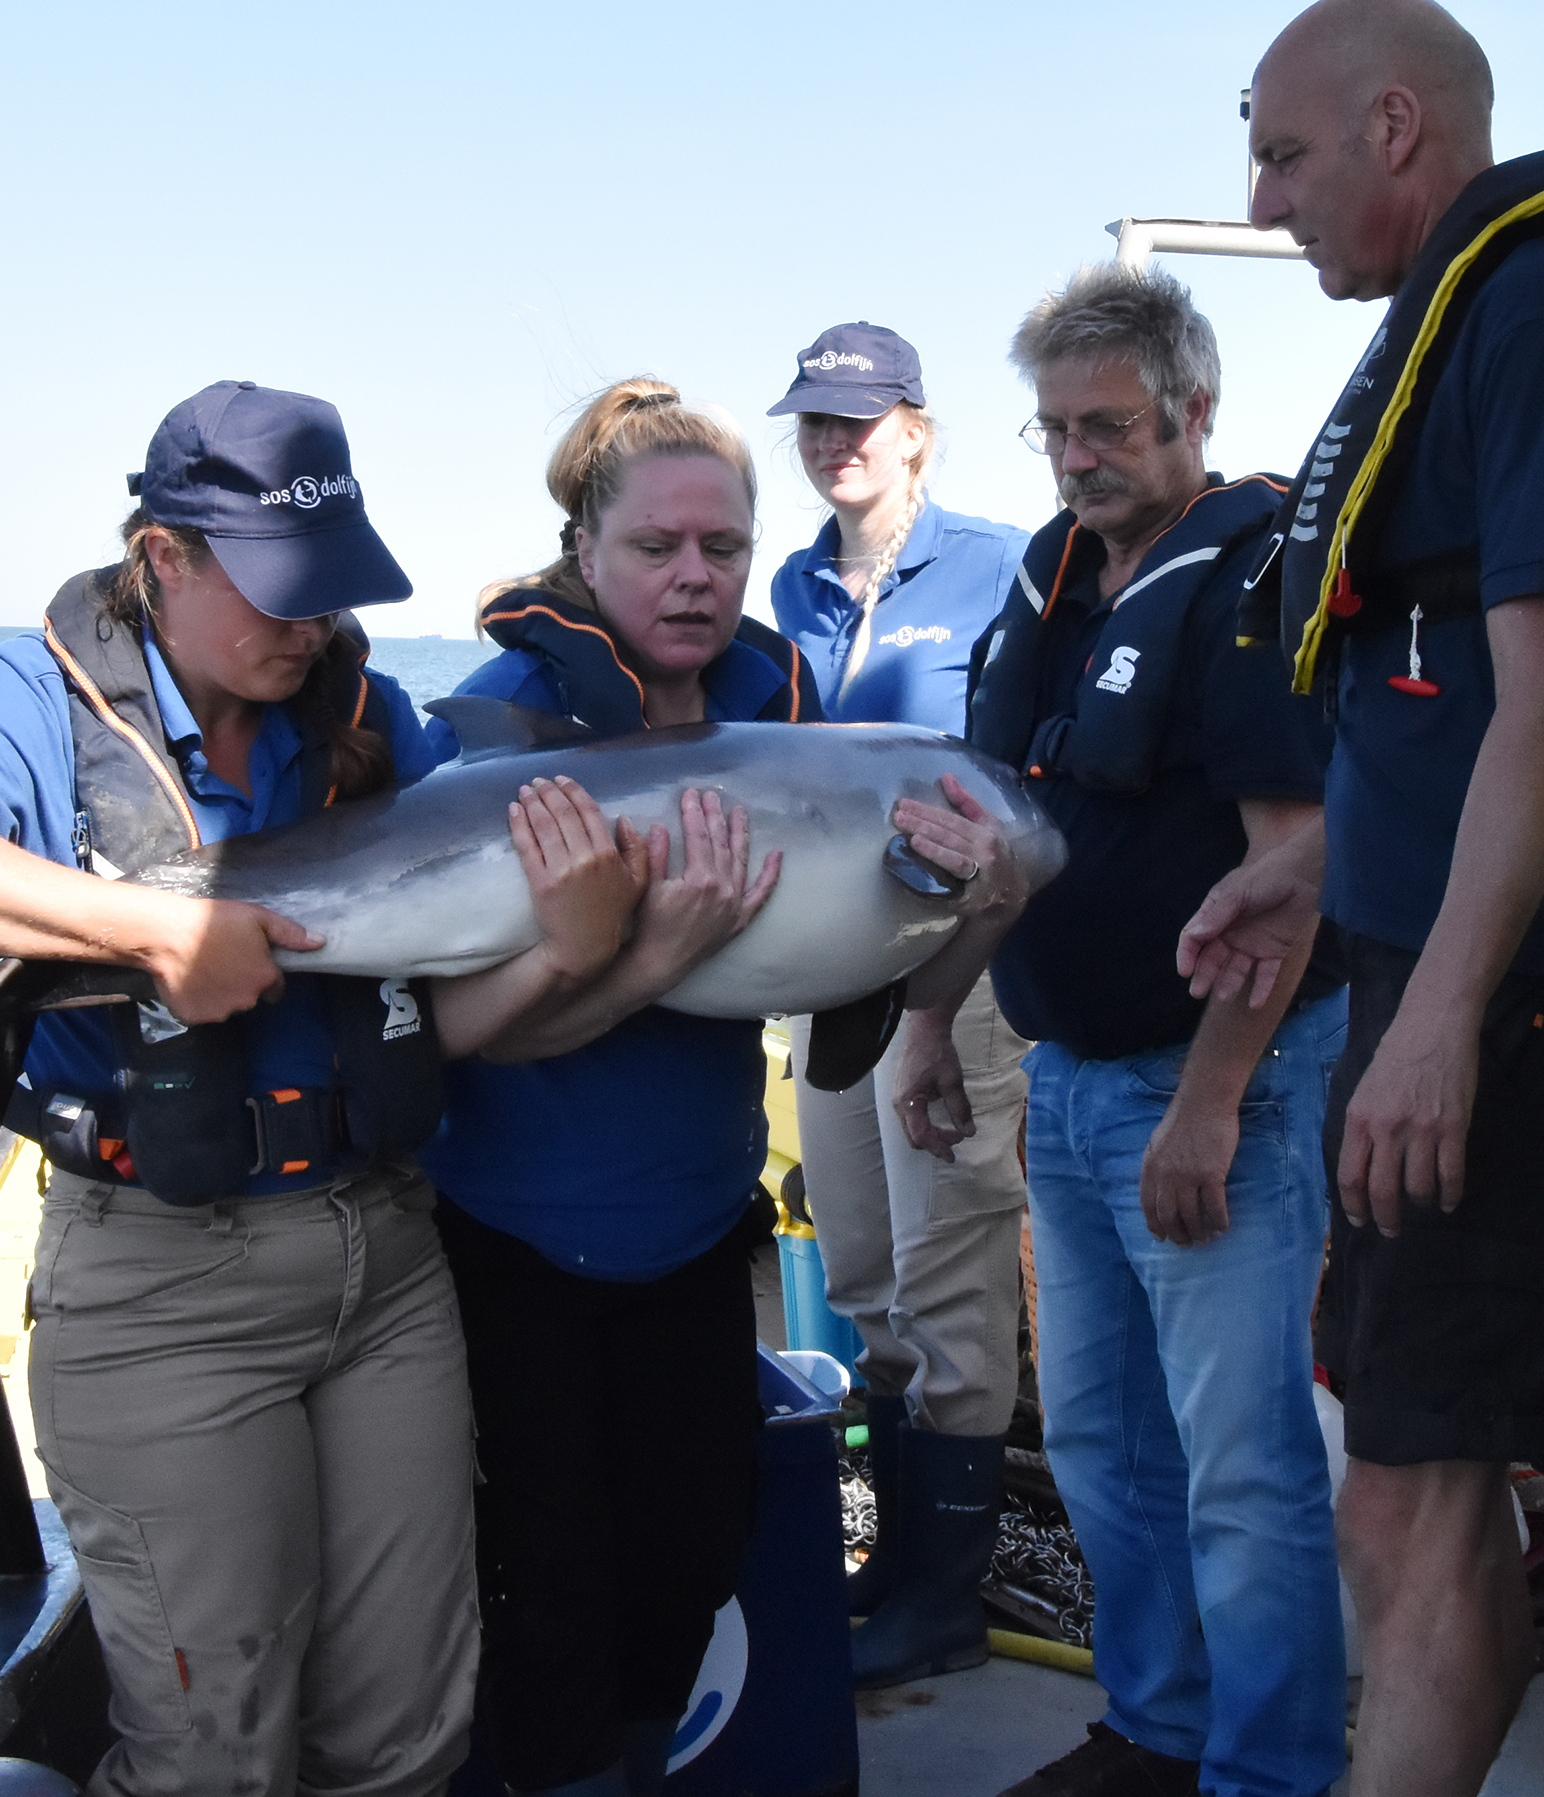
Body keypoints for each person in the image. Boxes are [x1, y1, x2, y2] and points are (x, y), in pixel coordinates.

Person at [0, 381, 645, 1797]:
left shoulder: (371, 716)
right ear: (162, 555)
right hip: (163, 1283)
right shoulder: (36, 699)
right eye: (270, 590)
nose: (304, 625)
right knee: (214, 1755)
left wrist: (578, 951)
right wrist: (150, 929)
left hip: (386, 1261)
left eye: (327, 589)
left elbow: (448, 1007)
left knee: (407, 1732)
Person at [1197, 0, 1544, 1797]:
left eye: (1283, 151)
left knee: (1410, 1497)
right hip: (1444, 978)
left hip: (1523, 1001)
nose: (1263, 201)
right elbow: (1453, 698)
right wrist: (1311, 870)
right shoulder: (1461, 314)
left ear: (1398, 124)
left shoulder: (1542, 308)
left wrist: (1440, 1022)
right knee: (1404, 1478)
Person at [417, 378, 1032, 1797]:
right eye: (657, 549)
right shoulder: (508, 716)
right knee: (549, 1576)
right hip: (515, 1226)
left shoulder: (779, 698)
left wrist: (966, 909)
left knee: (694, 1548)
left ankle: (633, 1766)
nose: (697, 579)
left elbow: (851, 981)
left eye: (726, 549)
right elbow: (449, 1011)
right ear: (584, 547)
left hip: (695, 1218)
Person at [892, 266, 1349, 1797]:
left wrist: (1211, 1101)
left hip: (1221, 1085)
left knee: (1242, 1467)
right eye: (1055, 430)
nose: (1081, 457)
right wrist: (925, 1027)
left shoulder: (1249, 580)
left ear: (1193, 413)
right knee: (1100, 1444)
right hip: (1073, 1083)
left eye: (1110, 425)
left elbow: (1291, 864)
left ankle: (1273, 1768)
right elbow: (1002, 838)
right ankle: (1159, 1729)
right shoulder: (1056, 584)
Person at [761, 321, 1036, 1688]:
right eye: (813, 419)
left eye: (859, 419)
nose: (834, 442)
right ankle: (894, 1558)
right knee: (861, 1259)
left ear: (918, 427)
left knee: (951, 1263)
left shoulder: (998, 565)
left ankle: (946, 1589)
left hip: (956, 969)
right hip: (835, 970)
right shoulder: (794, 583)